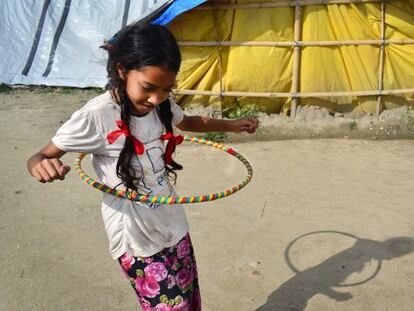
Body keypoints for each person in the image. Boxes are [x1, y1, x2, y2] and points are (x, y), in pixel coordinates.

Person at [27, 22, 258, 310]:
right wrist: (42, 165)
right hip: (136, 239)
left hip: (172, 222)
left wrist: (232, 125)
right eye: (148, 87)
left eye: (166, 89)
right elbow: (42, 156)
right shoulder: (96, 116)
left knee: (188, 300)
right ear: (122, 70)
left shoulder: (161, 105)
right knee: (171, 307)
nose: (156, 98)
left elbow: (192, 122)